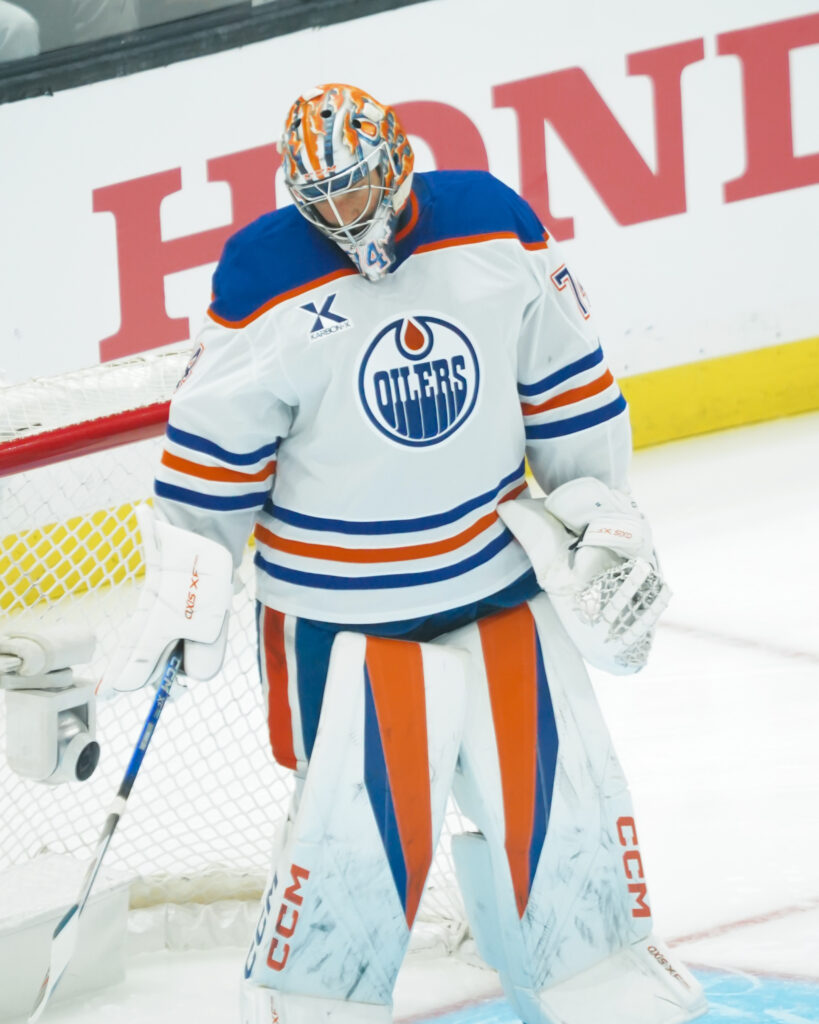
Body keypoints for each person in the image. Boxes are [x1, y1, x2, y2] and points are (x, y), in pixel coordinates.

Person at [103, 83, 707, 1024]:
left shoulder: (491, 224)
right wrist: (191, 573)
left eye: (355, 187)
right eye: (321, 197)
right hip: (336, 609)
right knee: (352, 818)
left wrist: (598, 507)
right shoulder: (262, 272)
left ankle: (593, 973)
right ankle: (319, 1002)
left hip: (493, 579)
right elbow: (215, 444)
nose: (344, 214)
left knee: (555, 791)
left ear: (395, 161)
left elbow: (564, 380)